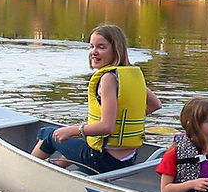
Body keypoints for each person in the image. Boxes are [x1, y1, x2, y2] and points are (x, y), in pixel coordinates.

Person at [31, 24, 162, 174]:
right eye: (92, 46)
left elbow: (107, 127)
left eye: (101, 47)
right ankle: (57, 171)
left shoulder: (108, 79)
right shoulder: (129, 76)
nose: (94, 52)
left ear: (116, 50)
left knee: (49, 134)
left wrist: (73, 130)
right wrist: (124, 120)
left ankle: (28, 173)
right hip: (128, 159)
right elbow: (155, 104)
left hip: (103, 160)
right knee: (76, 140)